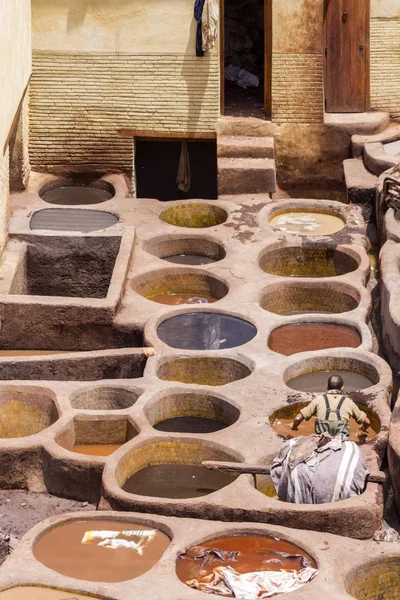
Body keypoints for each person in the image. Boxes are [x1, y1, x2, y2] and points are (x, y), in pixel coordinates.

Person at [290, 374, 371, 440]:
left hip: (322, 441)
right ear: (342, 388)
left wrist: (294, 428)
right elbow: (367, 422)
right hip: (341, 442)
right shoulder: (349, 402)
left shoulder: (318, 400)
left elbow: (297, 418)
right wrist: (363, 428)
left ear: (327, 387)